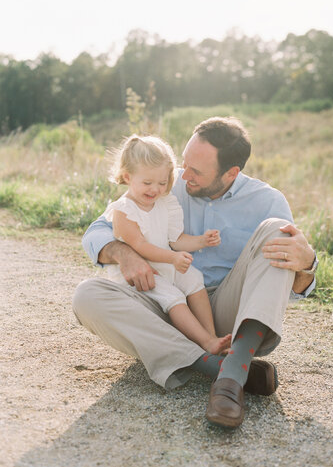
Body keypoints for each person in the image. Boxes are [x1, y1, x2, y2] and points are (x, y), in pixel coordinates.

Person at [73, 116, 318, 429]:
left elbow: (290, 288)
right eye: (184, 163)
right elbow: (97, 231)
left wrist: (307, 263)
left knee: (278, 232)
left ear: (231, 173)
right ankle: (225, 368)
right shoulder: (162, 182)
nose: (182, 175)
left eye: (196, 171)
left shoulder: (268, 201)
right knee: (87, 296)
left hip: (231, 313)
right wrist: (125, 253)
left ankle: (230, 371)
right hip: (163, 306)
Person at [102, 134, 231, 355]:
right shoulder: (124, 211)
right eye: (147, 183)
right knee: (174, 297)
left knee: (194, 279)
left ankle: (211, 336)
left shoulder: (166, 202)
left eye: (162, 183)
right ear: (127, 176)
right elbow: (140, 246)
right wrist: (172, 258)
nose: (155, 189)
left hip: (163, 264)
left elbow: (176, 240)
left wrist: (202, 240)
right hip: (141, 273)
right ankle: (205, 342)